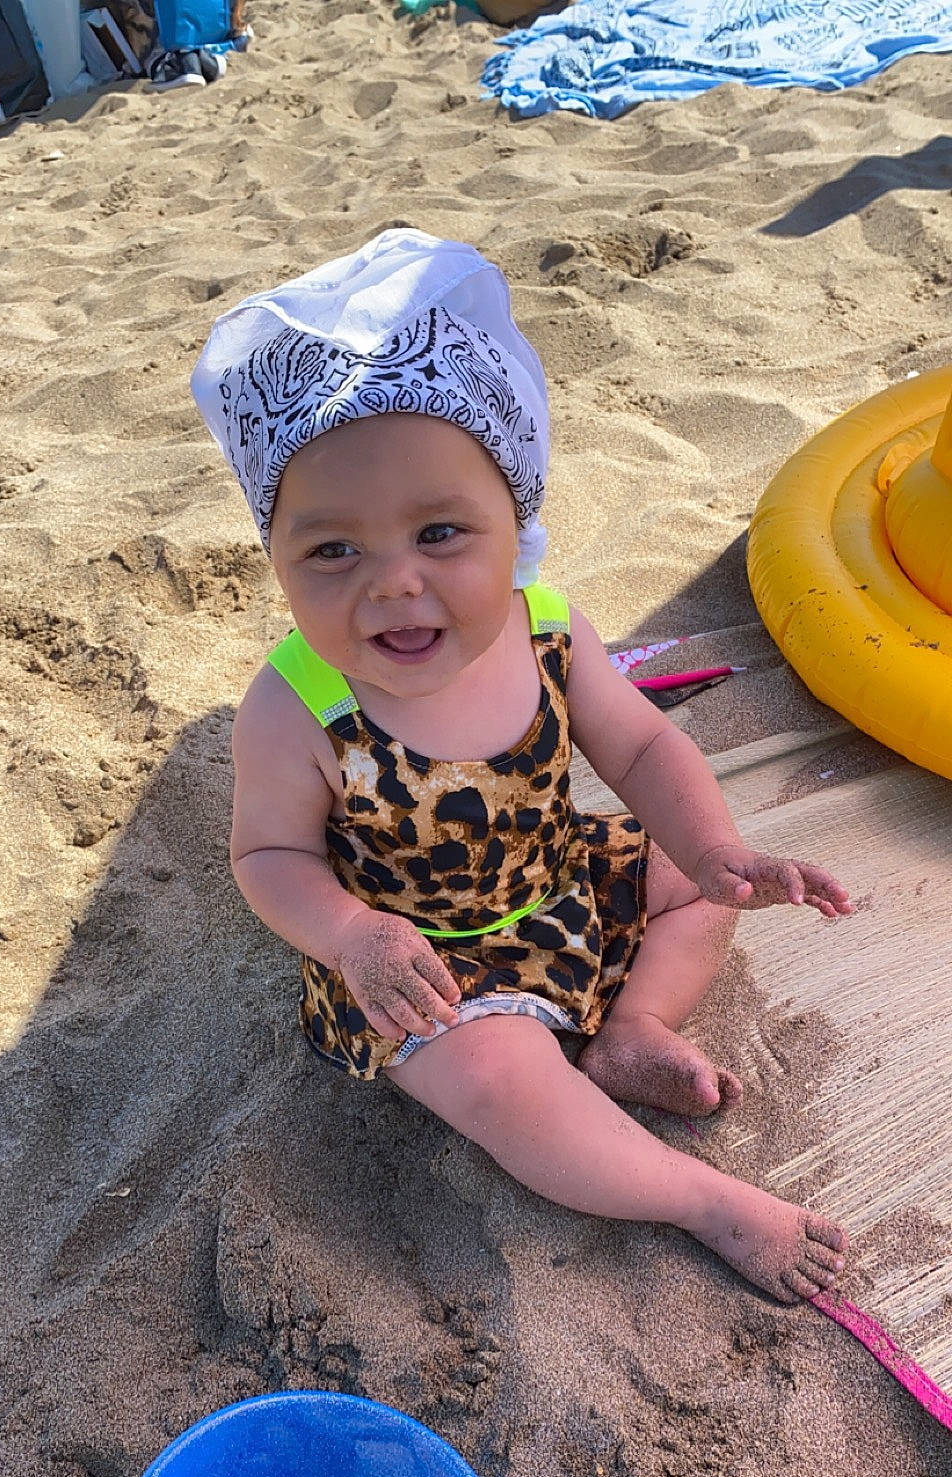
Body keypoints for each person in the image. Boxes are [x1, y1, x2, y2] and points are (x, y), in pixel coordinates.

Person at [191, 228, 850, 1304]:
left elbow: (640, 744)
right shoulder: (299, 701)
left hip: (558, 885)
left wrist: (715, 845)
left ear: (517, 519)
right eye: (332, 551)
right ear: (277, 555)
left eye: (441, 533)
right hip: (426, 967)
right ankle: (700, 1200)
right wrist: (354, 935)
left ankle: (632, 1028)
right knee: (502, 1085)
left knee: (698, 890)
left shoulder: (545, 629)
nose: (394, 585)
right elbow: (267, 854)